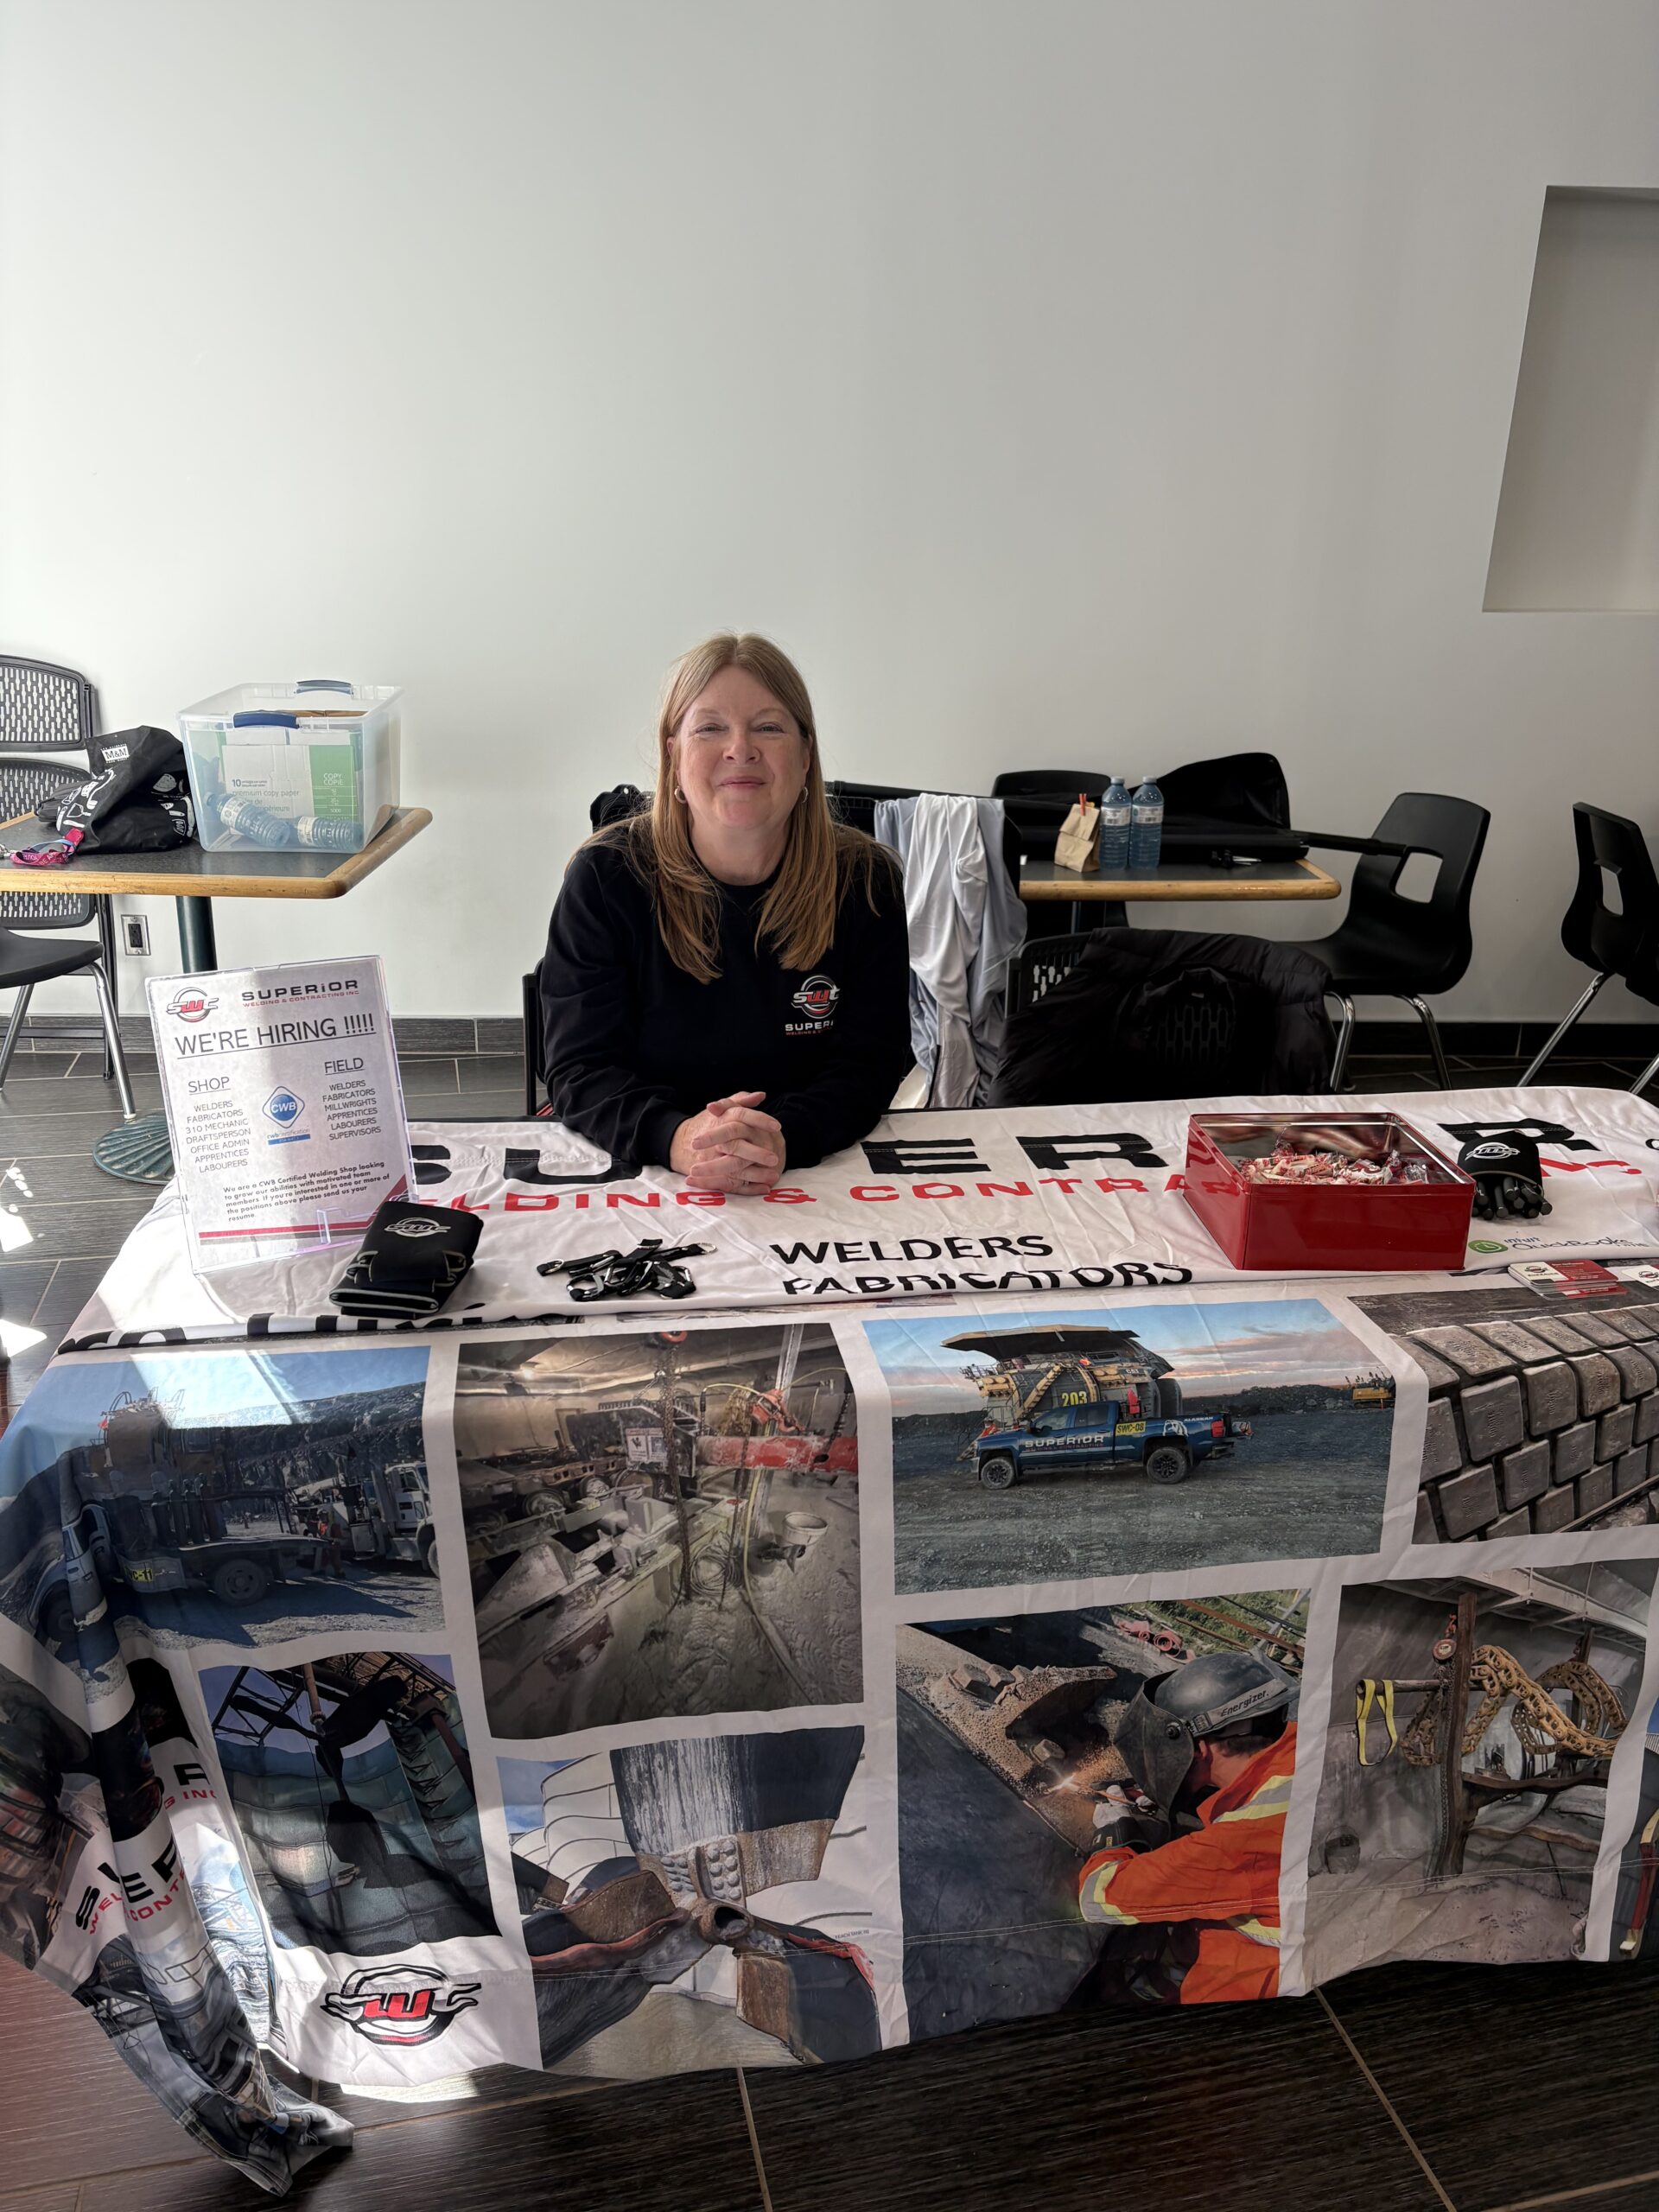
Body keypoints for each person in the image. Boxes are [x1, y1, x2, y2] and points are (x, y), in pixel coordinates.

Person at [539, 633, 912, 1192]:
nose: (740, 749)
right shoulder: (605, 877)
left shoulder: (866, 880)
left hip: (811, 1168)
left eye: (768, 726)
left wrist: (785, 1136)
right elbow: (580, 1068)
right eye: (710, 728)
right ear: (674, 754)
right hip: (644, 1168)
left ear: (806, 756)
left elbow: (872, 1062)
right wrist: (680, 1138)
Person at [1075, 1650, 1298, 2004]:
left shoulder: (1238, 1842)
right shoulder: (1304, 1754)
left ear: (1200, 1750)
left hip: (1262, 1984)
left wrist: (1114, 1834)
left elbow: (1100, 1900)